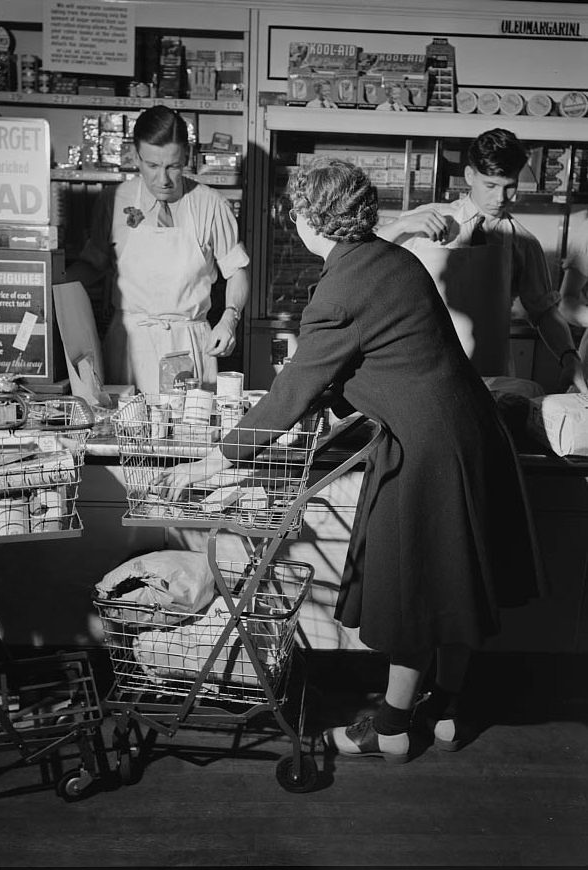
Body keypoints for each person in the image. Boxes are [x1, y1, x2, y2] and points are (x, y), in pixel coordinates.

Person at [159, 158, 546, 764]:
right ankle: (443, 706)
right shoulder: (392, 259)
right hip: (472, 429)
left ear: (311, 219)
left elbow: (294, 391)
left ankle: (390, 727)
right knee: (456, 577)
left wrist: (214, 462)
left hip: (427, 446)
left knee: (414, 584)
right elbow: (387, 359)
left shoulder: (341, 286)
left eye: (295, 213)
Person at [378, 128, 587, 393]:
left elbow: (544, 311)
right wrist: (400, 226)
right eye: (490, 186)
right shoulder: (426, 219)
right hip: (421, 366)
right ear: (469, 176)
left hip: (490, 374)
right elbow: (361, 260)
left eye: (509, 186)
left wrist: (570, 357)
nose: (500, 198)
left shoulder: (524, 242)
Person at [66, 105, 250, 393]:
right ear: (136, 156)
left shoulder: (211, 205)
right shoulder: (113, 201)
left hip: (189, 342)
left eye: (173, 166)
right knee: (124, 432)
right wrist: (47, 286)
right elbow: (92, 265)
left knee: (189, 432)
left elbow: (237, 271)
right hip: (130, 344)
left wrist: (229, 318)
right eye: (152, 166)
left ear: (186, 157)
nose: (162, 179)